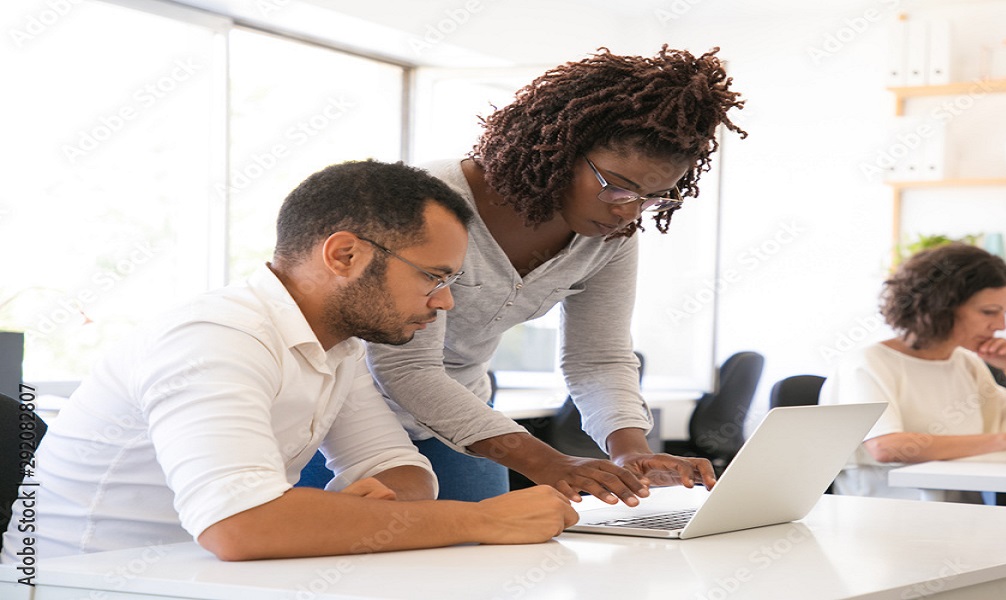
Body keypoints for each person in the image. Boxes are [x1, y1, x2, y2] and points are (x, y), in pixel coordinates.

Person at [1, 160, 577, 563]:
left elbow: (398, 470)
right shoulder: (217, 337)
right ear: (345, 254)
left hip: (202, 578)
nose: (445, 301)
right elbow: (239, 527)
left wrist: (335, 516)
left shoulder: (337, 342)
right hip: (83, 583)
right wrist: (483, 519)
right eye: (433, 276)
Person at [364, 46, 747, 505]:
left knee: (480, 563)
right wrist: (547, 462)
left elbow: (598, 358)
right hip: (351, 417)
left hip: (466, 423)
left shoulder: (608, 236)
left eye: (653, 198)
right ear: (559, 150)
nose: (628, 212)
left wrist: (630, 451)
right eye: (616, 186)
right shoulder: (427, 203)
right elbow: (405, 367)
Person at [818, 243, 1006, 502]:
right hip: (892, 516)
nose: (1000, 326)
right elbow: (887, 447)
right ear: (940, 305)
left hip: (962, 515)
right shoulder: (868, 362)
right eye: (989, 312)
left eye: (1005, 313)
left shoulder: (965, 362)